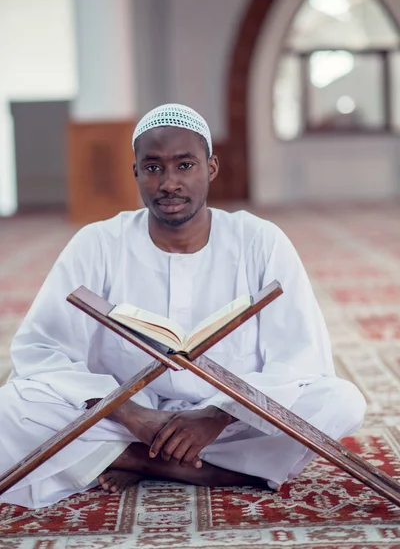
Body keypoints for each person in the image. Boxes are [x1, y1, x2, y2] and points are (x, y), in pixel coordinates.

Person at [0, 104, 366, 509]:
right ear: (135, 172)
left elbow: (300, 357)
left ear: (210, 168)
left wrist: (218, 416)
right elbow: (41, 350)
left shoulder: (260, 240)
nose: (169, 183)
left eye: (184, 165)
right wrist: (132, 415)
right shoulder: (99, 243)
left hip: (230, 422)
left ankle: (134, 462)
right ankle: (193, 467)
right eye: (153, 167)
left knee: (341, 401)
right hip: (124, 417)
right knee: (11, 408)